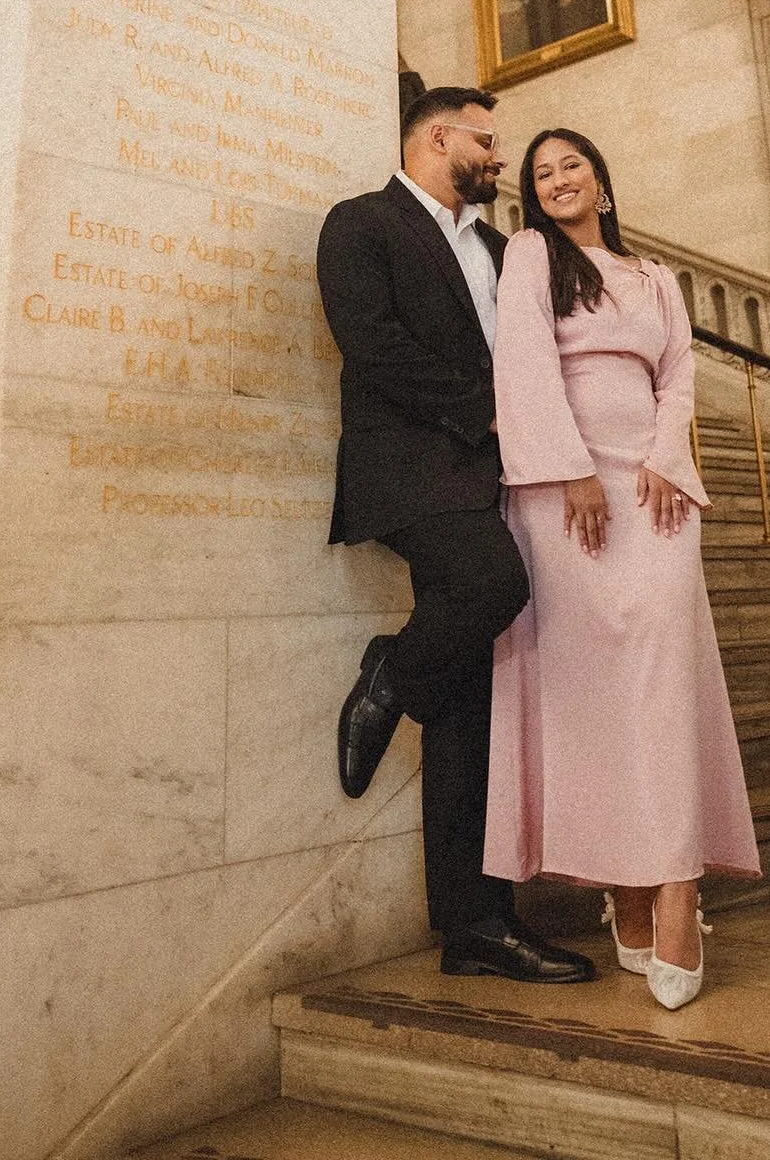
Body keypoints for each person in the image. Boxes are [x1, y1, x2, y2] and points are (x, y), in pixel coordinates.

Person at [317, 88, 595, 986]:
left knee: (471, 705)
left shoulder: (502, 248)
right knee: (491, 587)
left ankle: (475, 923)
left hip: (494, 478)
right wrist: (484, 416)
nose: (497, 153)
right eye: (485, 138)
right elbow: (372, 343)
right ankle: (387, 674)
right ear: (439, 137)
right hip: (411, 468)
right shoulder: (360, 224)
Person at [484, 128, 761, 1008]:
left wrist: (669, 459)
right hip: (563, 488)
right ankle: (627, 883)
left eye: (572, 166)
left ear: (601, 180)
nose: (558, 180)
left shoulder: (656, 279)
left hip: (654, 489)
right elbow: (521, 362)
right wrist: (568, 469)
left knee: (664, 680)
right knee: (595, 693)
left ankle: (677, 887)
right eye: (541, 173)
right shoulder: (529, 254)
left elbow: (679, 375)